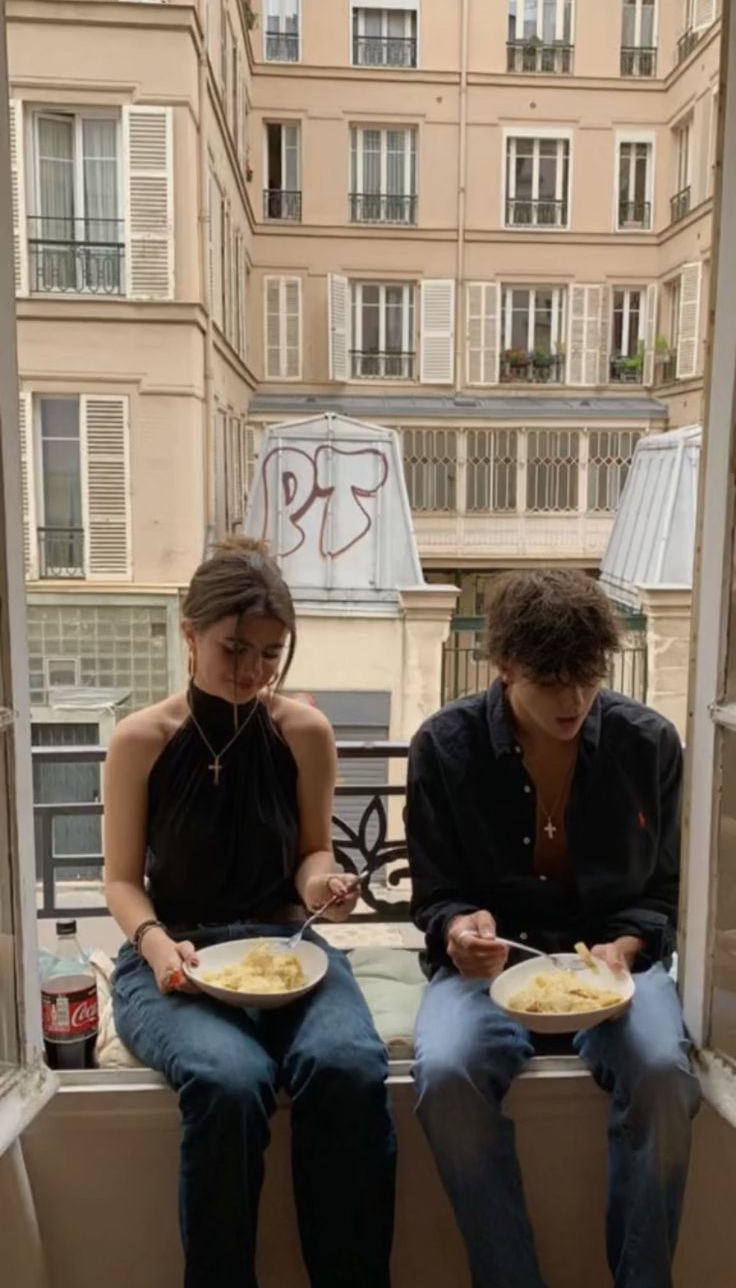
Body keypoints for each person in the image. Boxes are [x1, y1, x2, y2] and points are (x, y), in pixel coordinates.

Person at [105, 537, 396, 1288]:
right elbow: (120, 882)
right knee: (229, 1081)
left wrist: (323, 888)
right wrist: (159, 945)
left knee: (348, 1065)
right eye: (235, 647)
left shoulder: (304, 733)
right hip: (175, 958)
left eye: (271, 654)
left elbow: (309, 854)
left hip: (285, 949)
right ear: (188, 632)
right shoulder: (140, 741)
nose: (254, 670)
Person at [406, 568, 700, 1288]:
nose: (573, 698)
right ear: (504, 667)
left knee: (664, 1073)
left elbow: (667, 888)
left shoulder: (649, 744)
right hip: (487, 968)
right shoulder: (444, 747)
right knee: (446, 1074)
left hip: (616, 967)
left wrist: (625, 946)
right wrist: (458, 929)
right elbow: (436, 893)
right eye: (550, 678)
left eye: (587, 675)